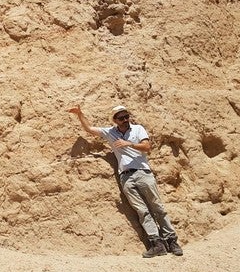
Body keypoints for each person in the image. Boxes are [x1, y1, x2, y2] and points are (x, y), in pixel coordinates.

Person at [68, 104, 183, 258]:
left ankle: (172, 241)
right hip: (126, 177)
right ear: (115, 120)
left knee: (157, 207)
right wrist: (80, 114)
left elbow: (147, 147)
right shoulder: (111, 132)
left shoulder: (138, 129)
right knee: (142, 211)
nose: (125, 120)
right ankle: (157, 244)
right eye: (121, 118)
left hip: (143, 173)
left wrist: (129, 144)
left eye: (126, 116)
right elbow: (89, 129)